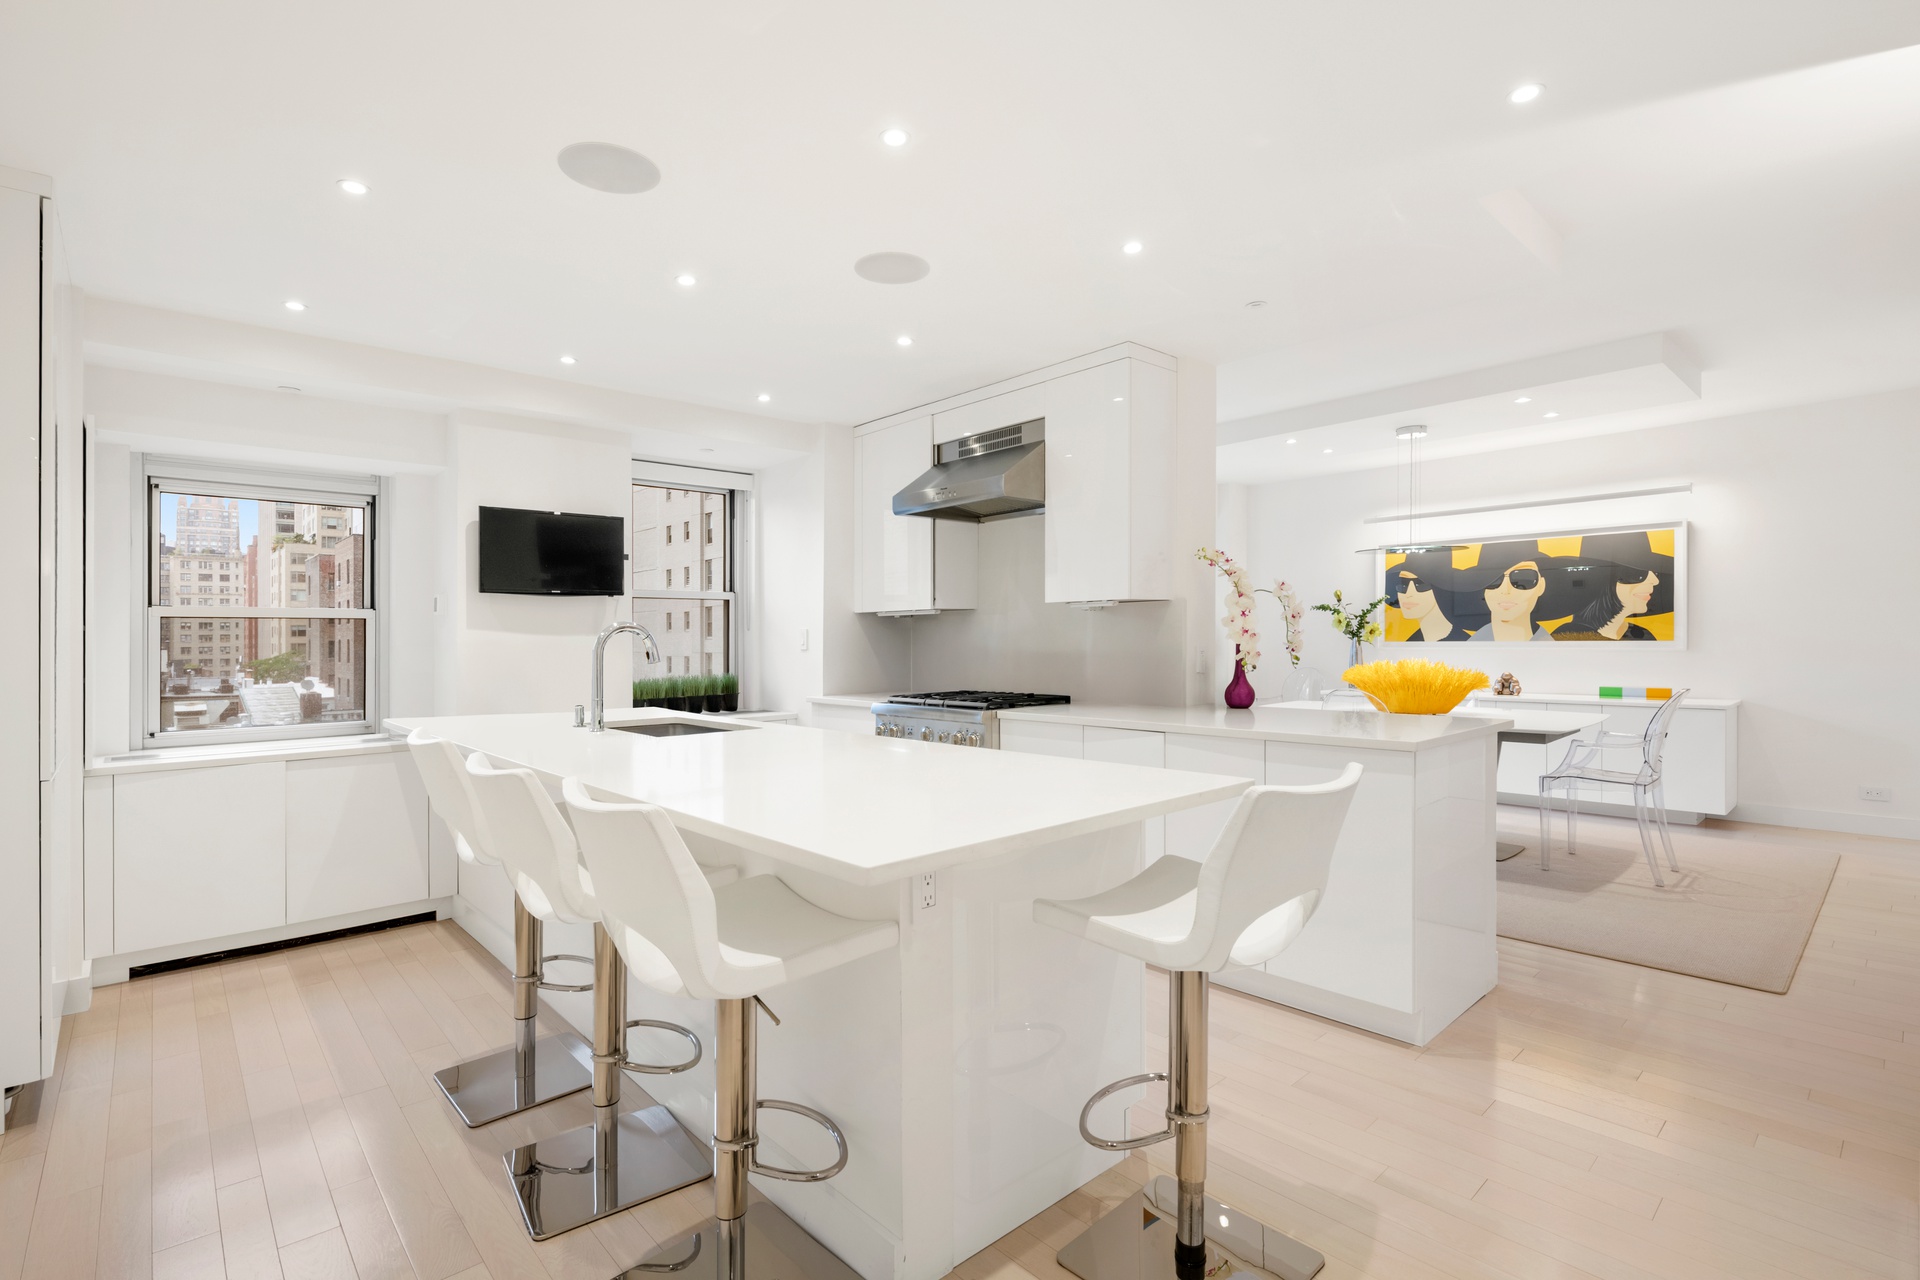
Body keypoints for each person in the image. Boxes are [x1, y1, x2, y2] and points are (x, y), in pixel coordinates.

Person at [1383, 553, 1468, 641]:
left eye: (1420, 584)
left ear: (1441, 589)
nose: (1408, 593)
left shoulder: (1464, 643)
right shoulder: (1412, 642)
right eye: (1403, 584)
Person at [1468, 558, 1557, 642]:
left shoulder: (1556, 650)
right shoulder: (1468, 647)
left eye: (1522, 577)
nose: (1505, 590)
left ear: (1541, 586)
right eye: (1493, 579)